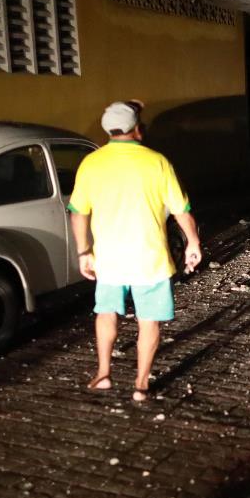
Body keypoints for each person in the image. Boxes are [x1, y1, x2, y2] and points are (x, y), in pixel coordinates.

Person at [69, 100, 202, 401]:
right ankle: (141, 384)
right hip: (149, 258)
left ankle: (103, 374)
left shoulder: (92, 163)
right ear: (137, 129)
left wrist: (83, 251)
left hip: (109, 259)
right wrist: (193, 242)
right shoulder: (157, 161)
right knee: (148, 320)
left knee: (105, 314)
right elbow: (182, 210)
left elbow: (78, 212)